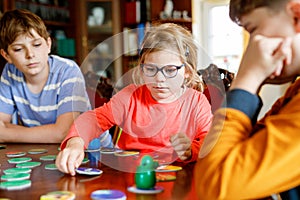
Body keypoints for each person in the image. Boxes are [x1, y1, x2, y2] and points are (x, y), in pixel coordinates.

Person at [55, 23, 213, 176]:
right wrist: (75, 141)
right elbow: (94, 119)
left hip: (179, 180)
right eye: (150, 69)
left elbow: (210, 141)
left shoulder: (196, 102)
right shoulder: (130, 96)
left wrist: (191, 150)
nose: (159, 79)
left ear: (187, 71)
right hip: (128, 176)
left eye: (170, 70)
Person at [195, 0, 300, 199]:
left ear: (296, 15)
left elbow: (215, 186)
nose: (252, 49)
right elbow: (242, 150)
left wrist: (246, 78)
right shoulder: (296, 91)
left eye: (254, 30)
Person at [0, 9, 91, 143]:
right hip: (45, 150)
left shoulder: (68, 71)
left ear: (48, 45)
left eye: (36, 45)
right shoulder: (10, 72)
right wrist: (50, 133)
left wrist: (8, 133)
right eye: (18, 49)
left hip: (95, 152)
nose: (30, 55)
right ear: (6, 55)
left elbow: (63, 133)